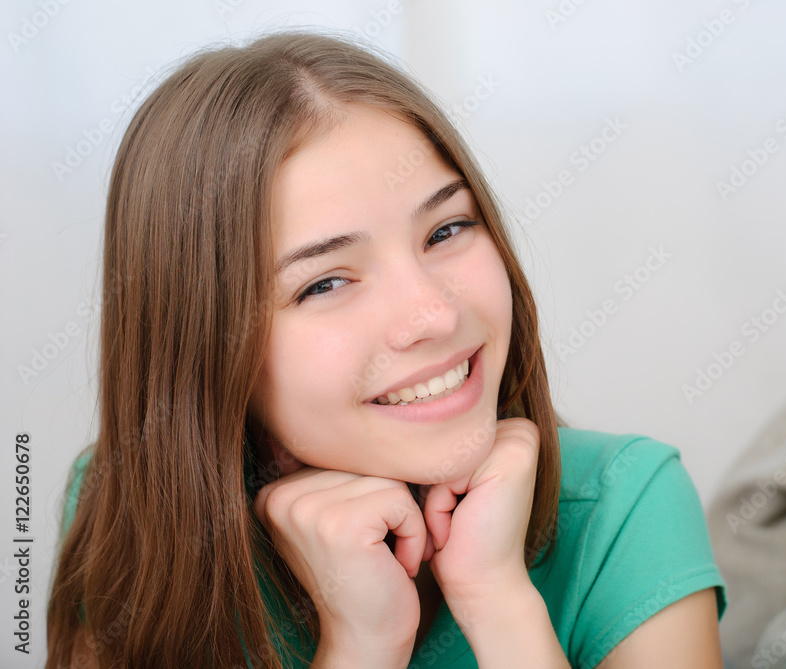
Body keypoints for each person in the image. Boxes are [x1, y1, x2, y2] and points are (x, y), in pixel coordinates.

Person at [46, 29, 726, 668]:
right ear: (205, 347)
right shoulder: (132, 514)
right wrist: (362, 645)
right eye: (325, 283)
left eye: (446, 230)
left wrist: (497, 602)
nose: (434, 314)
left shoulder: (623, 510)